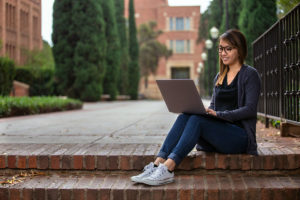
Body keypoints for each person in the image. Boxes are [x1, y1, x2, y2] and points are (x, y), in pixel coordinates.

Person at [131, 29, 261, 186]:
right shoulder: (219, 77)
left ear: (239, 50)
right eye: (220, 48)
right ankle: (158, 164)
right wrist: (206, 110)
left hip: (239, 137)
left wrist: (219, 114)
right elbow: (214, 106)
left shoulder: (249, 74)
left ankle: (169, 168)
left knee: (197, 120)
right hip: (219, 134)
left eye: (228, 49)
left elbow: (250, 109)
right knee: (186, 116)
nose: (223, 53)